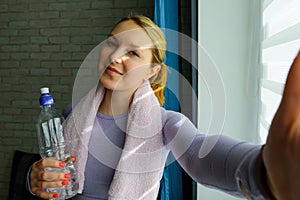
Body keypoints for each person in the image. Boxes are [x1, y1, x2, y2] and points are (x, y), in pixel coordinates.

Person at [28, 15, 300, 200]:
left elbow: (202, 155)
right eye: (111, 43)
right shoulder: (71, 113)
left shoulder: (167, 123)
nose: (115, 56)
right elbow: (51, 172)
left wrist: (263, 171)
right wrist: (34, 178)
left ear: (151, 71)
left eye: (133, 53)